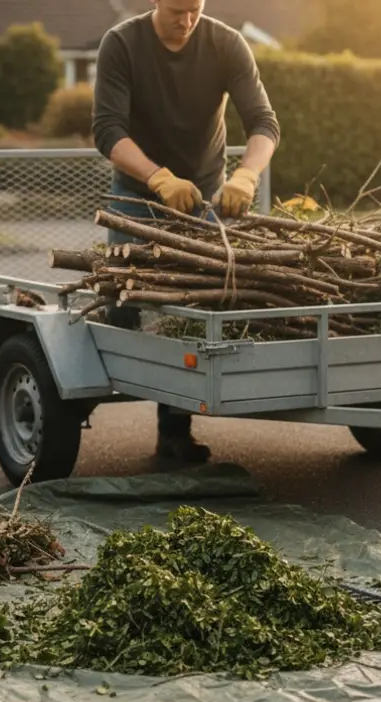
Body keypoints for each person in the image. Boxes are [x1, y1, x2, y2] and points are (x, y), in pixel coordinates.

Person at [91, 0, 281, 463]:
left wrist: (247, 176)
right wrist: (157, 177)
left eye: (195, 9)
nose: (187, 21)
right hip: (137, 197)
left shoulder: (226, 44)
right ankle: (103, 387)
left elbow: (263, 122)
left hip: (205, 198)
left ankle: (173, 432)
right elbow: (107, 129)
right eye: (178, 10)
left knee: (191, 310)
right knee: (128, 307)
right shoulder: (122, 44)